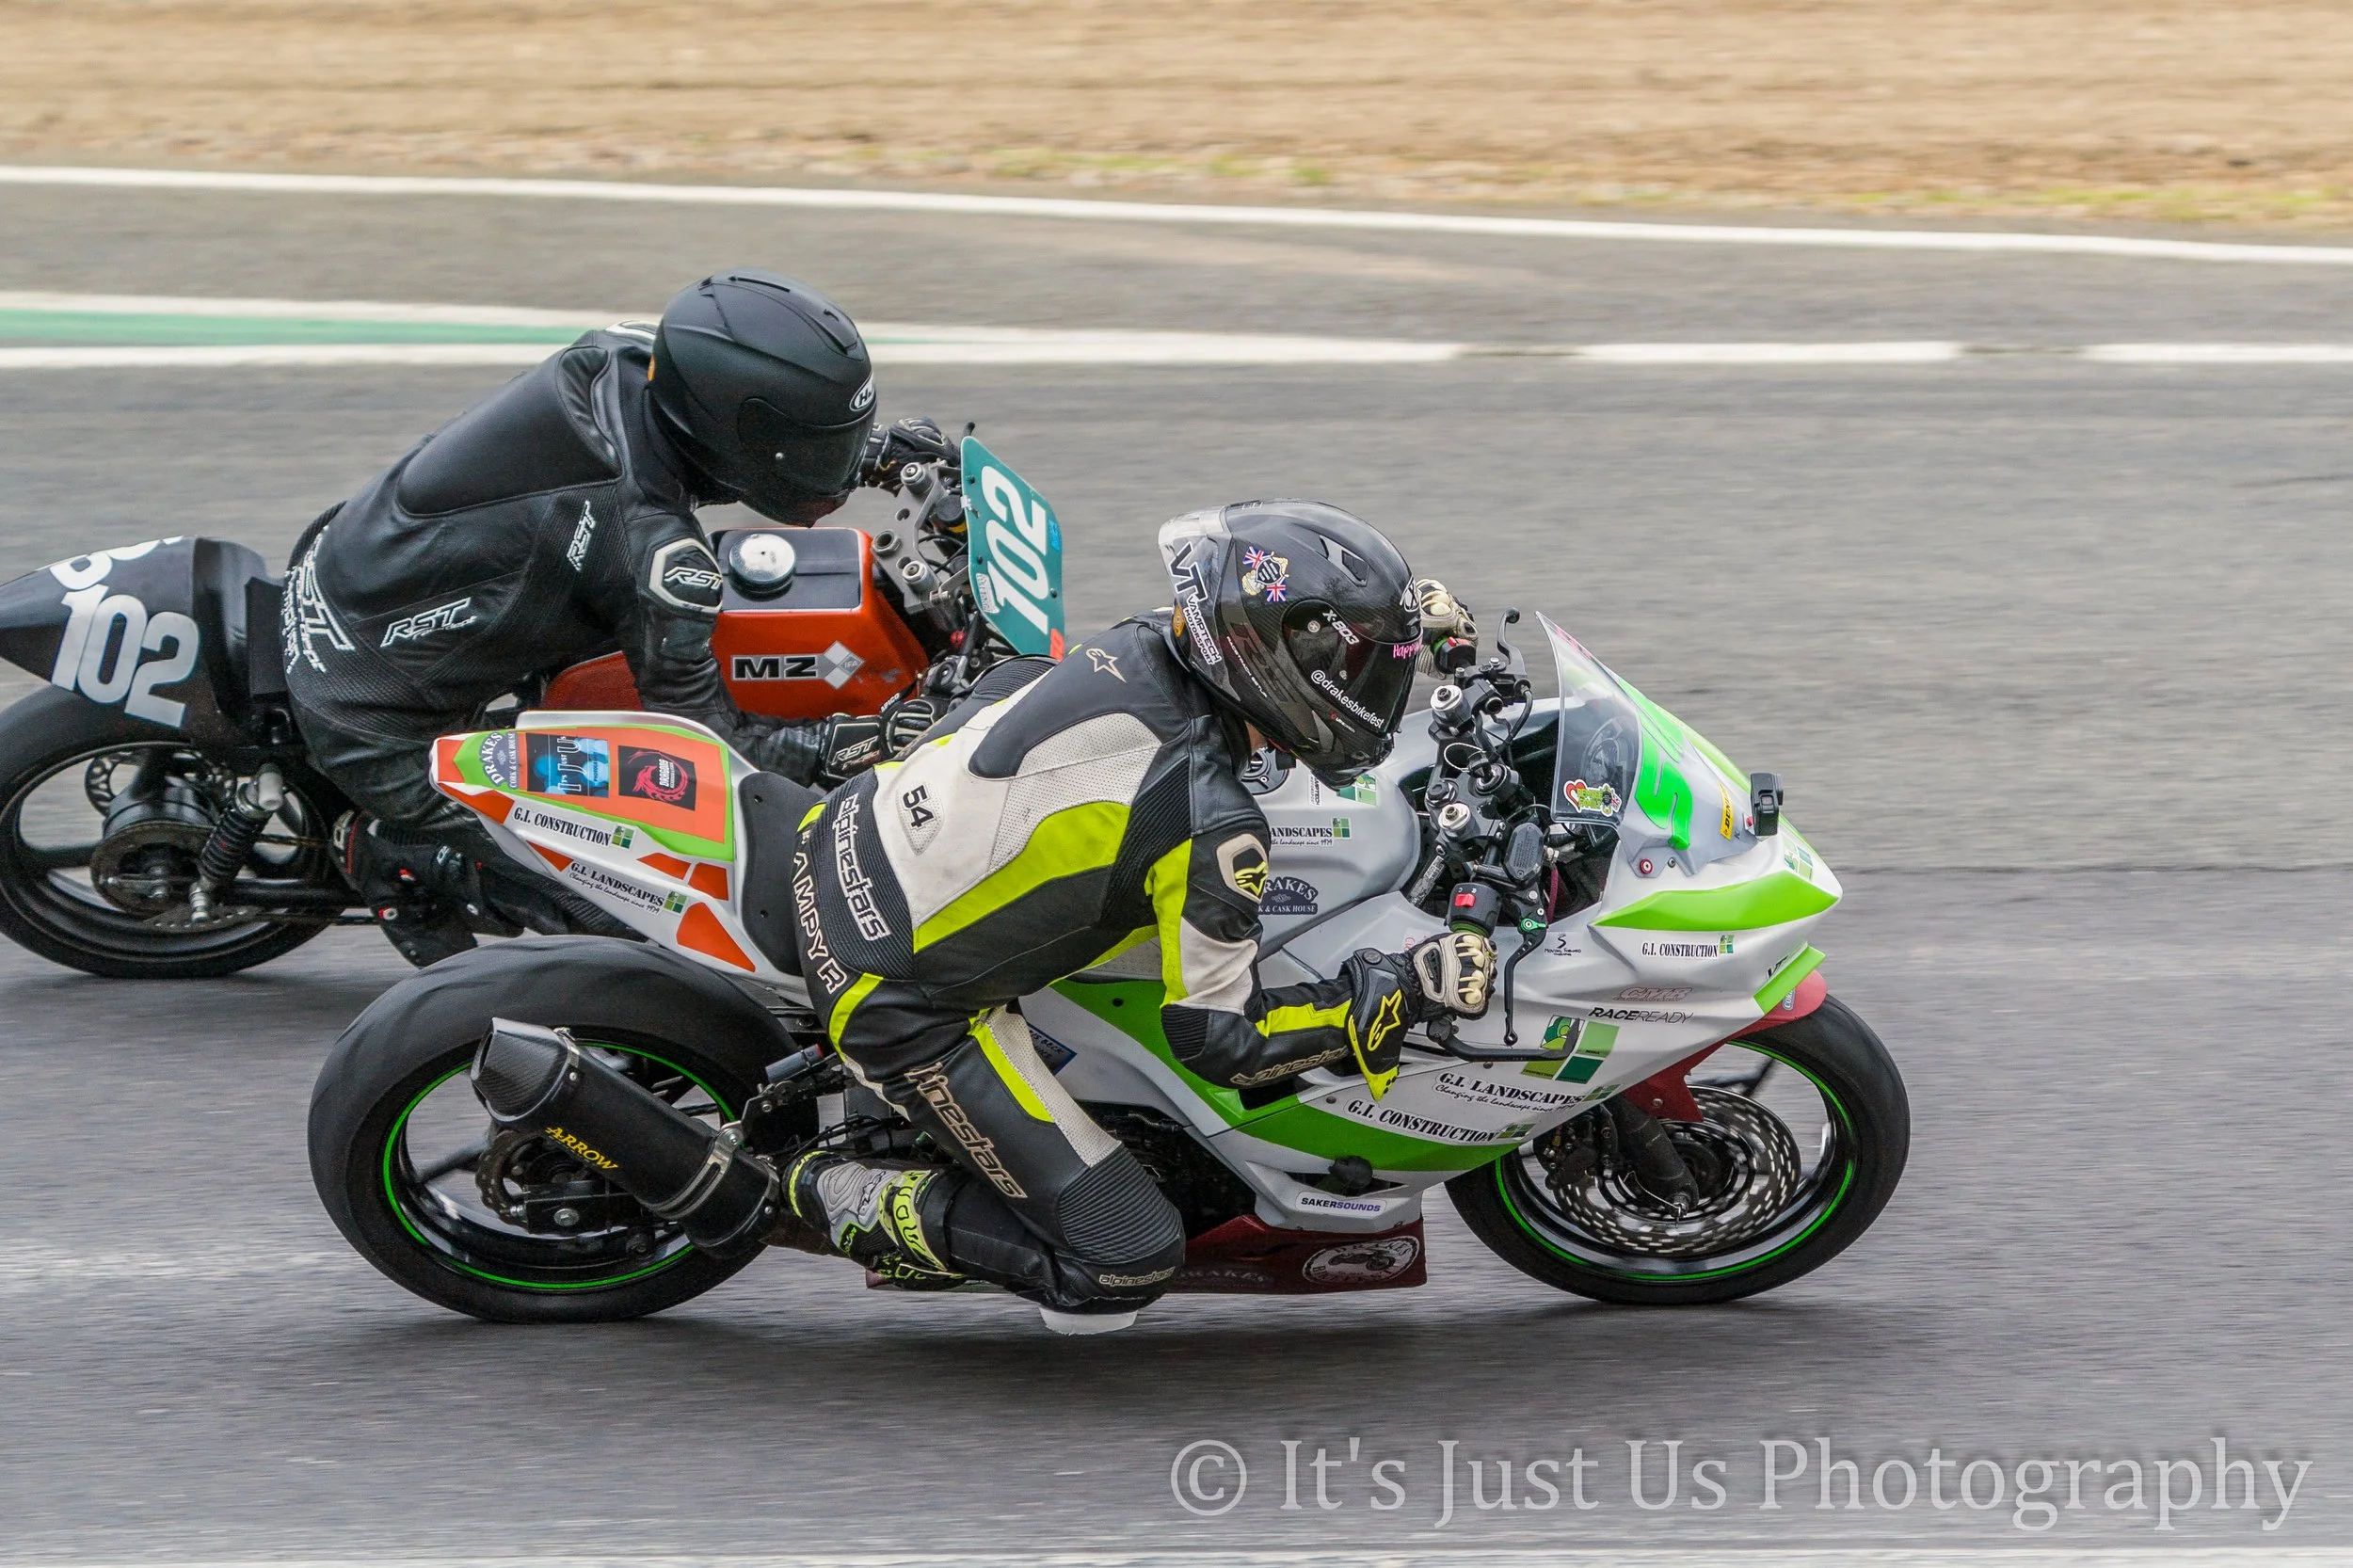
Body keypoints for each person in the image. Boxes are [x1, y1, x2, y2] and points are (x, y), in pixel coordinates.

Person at [779, 500, 1492, 1334]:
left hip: (842, 825)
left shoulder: (1151, 638)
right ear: (1271, 662)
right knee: (1125, 1258)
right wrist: (1398, 989)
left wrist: (1399, 631)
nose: (1366, 684)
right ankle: (807, 1192)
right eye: (1352, 664)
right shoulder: (1213, 825)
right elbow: (1224, 1043)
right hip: (896, 996)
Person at [280, 268, 951, 965]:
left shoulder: (627, 355)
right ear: (736, 429)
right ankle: (408, 856)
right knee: (655, 908)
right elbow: (704, 748)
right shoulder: (649, 547)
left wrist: (872, 457)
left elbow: (695, 455)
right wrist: (846, 743)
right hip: (376, 721)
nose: (832, 465)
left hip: (356, 564)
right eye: (817, 447)